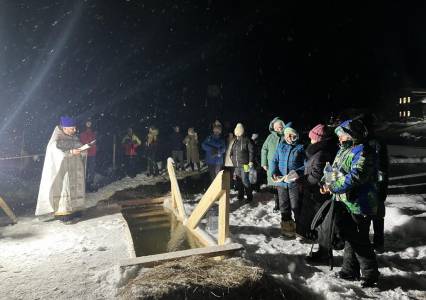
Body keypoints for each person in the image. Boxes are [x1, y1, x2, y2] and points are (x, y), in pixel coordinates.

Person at [321, 119, 380, 287]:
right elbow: (332, 170)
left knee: (360, 240)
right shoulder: (343, 151)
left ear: (353, 135)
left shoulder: (364, 152)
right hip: (344, 202)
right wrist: (325, 183)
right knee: (349, 237)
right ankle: (349, 271)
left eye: (343, 135)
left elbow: (356, 176)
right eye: (339, 136)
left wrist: (333, 187)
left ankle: (370, 274)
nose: (340, 139)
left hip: (360, 203)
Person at [36, 116, 87, 224]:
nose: (74, 130)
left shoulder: (74, 138)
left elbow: (81, 149)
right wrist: (71, 152)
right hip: (63, 172)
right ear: (65, 128)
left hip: (75, 170)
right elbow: (56, 154)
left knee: (75, 189)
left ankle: (76, 210)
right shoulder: (56, 140)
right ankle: (64, 214)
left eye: (74, 128)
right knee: (65, 190)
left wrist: (83, 150)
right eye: (72, 128)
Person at [298, 124, 336, 259]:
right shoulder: (318, 152)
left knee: (321, 222)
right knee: (320, 221)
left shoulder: (321, 154)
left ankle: (324, 252)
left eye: (312, 138)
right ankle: (323, 249)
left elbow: (316, 176)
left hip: (318, 192)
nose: (310, 140)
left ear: (319, 139)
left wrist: (300, 180)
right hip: (318, 191)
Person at [270, 122, 305, 237]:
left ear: (297, 135)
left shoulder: (301, 147)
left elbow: (306, 165)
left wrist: (297, 173)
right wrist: (274, 172)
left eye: (292, 135)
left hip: (295, 183)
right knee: (284, 206)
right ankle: (287, 231)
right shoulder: (281, 146)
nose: (289, 138)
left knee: (296, 207)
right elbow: (274, 160)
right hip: (281, 182)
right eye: (287, 135)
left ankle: (301, 231)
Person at [362, 114, 389, 253]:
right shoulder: (373, 141)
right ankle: (375, 242)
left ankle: (377, 243)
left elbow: (382, 167)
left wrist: (381, 186)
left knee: (374, 214)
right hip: (373, 184)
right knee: (373, 214)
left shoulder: (373, 143)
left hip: (374, 184)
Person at [261, 117, 285, 211]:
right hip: (272, 165)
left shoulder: (286, 135)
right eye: (276, 127)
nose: (278, 128)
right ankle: (277, 204)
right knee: (275, 186)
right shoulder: (270, 137)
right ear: (273, 128)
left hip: (283, 166)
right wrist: (264, 163)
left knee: (282, 185)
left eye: (280, 126)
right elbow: (264, 150)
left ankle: (284, 204)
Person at [230, 123, 254, 202]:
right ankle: (240, 195)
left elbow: (251, 151)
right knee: (238, 181)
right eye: (237, 131)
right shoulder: (235, 141)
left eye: (240, 131)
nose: (238, 133)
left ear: (242, 131)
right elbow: (232, 151)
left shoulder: (247, 140)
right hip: (236, 166)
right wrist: (231, 156)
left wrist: (251, 161)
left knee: (245, 180)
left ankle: (249, 197)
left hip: (245, 165)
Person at [80, 120, 97, 191]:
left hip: (92, 154)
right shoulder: (82, 134)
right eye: (87, 123)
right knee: (85, 169)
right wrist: (89, 144)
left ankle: (90, 183)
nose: (89, 125)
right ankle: (85, 184)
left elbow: (94, 142)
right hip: (85, 154)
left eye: (90, 123)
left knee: (91, 169)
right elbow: (84, 142)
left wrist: (93, 146)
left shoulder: (93, 133)